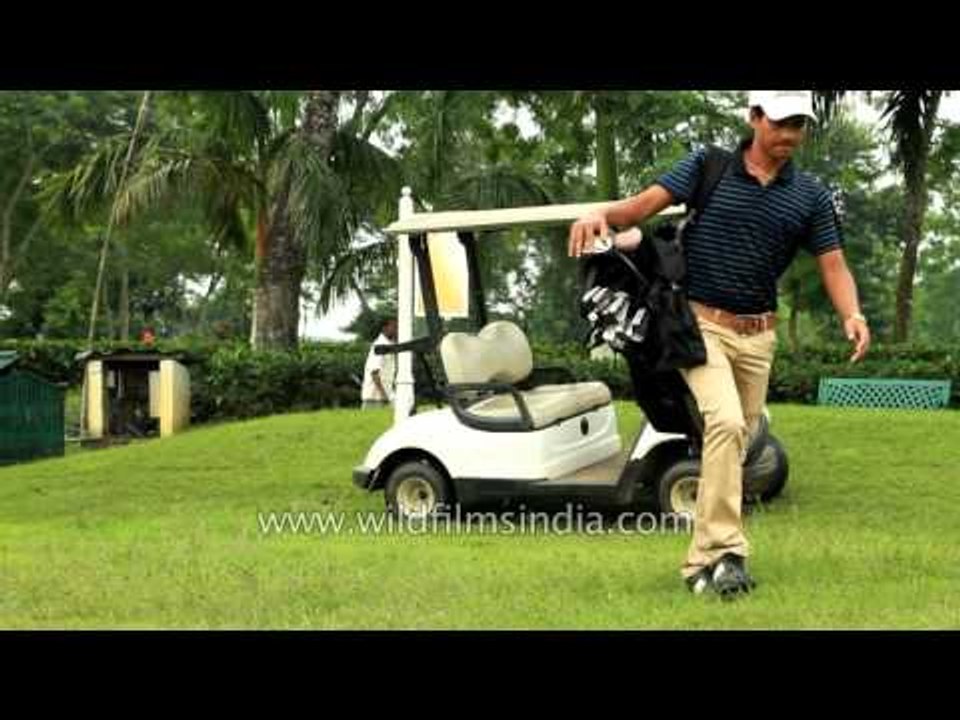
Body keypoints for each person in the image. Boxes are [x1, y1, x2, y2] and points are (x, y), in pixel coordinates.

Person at [569, 90, 871, 598]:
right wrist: (596, 213)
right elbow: (642, 207)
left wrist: (853, 313)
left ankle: (701, 563)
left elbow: (833, 263)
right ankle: (728, 553)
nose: (791, 135)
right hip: (703, 327)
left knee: (735, 445)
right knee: (726, 423)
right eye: (781, 123)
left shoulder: (810, 195)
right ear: (754, 118)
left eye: (799, 125)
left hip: (760, 337)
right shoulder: (708, 166)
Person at [361, 318, 398, 410]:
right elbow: (374, 373)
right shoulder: (379, 345)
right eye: (394, 327)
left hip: (386, 395)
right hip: (374, 398)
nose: (396, 330)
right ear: (384, 328)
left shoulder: (389, 344)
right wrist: (384, 395)